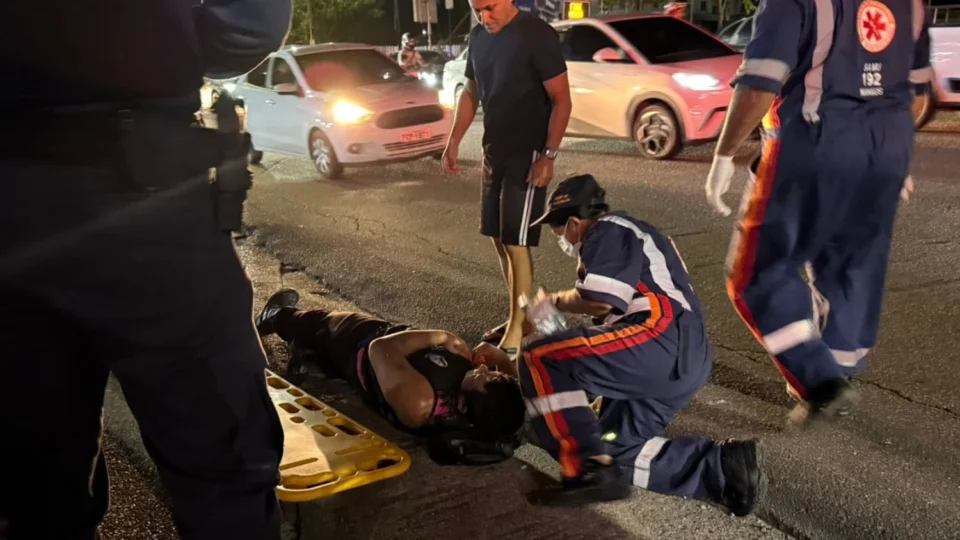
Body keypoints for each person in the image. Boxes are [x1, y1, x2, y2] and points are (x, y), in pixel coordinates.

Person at [0, 2, 291, 540]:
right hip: (136, 190)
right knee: (224, 473)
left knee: (35, 482)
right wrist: (151, 40)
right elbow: (251, 24)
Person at [704, 0, 931, 428]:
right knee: (849, 264)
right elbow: (917, 94)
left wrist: (723, 155)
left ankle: (820, 382)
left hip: (815, 144)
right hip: (887, 145)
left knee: (756, 273)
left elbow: (760, 85)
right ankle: (837, 367)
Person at [519, 175, 763, 513]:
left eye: (559, 230)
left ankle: (586, 469)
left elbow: (602, 299)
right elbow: (608, 328)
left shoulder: (607, 229)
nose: (561, 238)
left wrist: (554, 302)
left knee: (540, 357)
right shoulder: (635, 237)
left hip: (660, 337)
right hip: (684, 357)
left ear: (574, 222)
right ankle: (720, 467)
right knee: (613, 446)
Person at [255, 289, 526, 464]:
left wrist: (442, 337)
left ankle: (273, 317)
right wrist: (495, 356)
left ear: (466, 404)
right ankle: (308, 352)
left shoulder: (420, 402)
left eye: (485, 377)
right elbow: (500, 381)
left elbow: (381, 348)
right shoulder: (478, 405)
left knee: (319, 323)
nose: (483, 370)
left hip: (358, 348)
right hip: (387, 350)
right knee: (320, 347)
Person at [441, 0, 572, 358]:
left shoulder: (536, 35)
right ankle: (531, 315)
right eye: (477, 10)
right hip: (493, 152)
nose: (485, 17)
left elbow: (561, 100)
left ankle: (518, 332)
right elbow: (471, 93)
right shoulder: (479, 37)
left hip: (527, 155)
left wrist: (549, 155)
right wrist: (453, 140)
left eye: (490, 7)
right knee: (499, 239)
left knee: (517, 242)